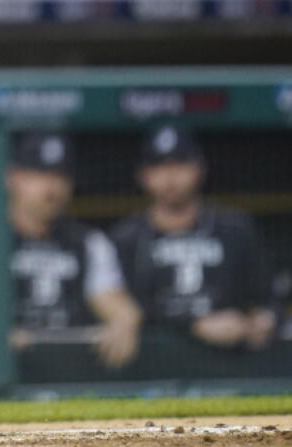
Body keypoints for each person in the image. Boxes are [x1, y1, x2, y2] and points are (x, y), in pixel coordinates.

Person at [0, 132, 142, 369]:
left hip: (66, 368)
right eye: (38, 174)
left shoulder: (88, 241)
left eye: (59, 176)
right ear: (12, 177)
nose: (51, 187)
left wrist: (124, 321)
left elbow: (111, 299)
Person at [111, 127, 277, 351]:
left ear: (199, 169)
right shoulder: (126, 238)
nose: (170, 176)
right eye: (159, 166)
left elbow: (267, 297)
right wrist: (194, 325)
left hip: (232, 360)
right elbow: (123, 308)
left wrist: (264, 317)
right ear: (144, 175)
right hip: (154, 363)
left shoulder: (235, 229)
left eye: (179, 164)